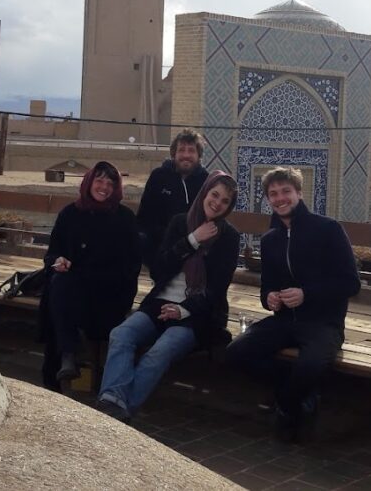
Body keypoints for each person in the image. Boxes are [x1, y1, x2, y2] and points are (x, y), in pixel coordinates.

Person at [225, 167, 360, 439]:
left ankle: (287, 410)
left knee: (310, 365)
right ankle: (297, 395)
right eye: (273, 194)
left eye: (286, 191)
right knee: (235, 353)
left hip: (323, 323)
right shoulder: (271, 240)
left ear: (299, 192)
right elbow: (267, 288)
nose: (280, 198)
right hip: (286, 321)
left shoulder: (328, 229)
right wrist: (270, 299)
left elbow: (350, 283)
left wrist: (306, 294)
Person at [96, 171, 240, 421]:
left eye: (225, 201)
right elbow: (160, 268)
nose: (217, 203)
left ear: (229, 207)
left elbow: (216, 290)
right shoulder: (180, 223)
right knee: (121, 334)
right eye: (214, 195)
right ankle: (114, 401)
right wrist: (193, 240)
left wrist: (182, 310)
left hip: (197, 314)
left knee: (159, 351)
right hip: (160, 302)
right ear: (205, 192)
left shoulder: (229, 237)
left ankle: (118, 411)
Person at [38, 161, 141, 390]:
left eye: (110, 183)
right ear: (89, 182)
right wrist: (58, 261)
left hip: (108, 294)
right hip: (72, 290)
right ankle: (67, 356)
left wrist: (87, 275)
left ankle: (66, 357)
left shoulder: (124, 219)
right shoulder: (71, 214)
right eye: (99, 180)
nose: (104, 187)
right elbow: (53, 252)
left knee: (61, 296)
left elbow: (130, 267)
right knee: (61, 284)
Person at [136, 129, 209, 265]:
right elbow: (145, 218)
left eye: (191, 151)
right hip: (160, 248)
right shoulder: (159, 177)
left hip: (194, 248)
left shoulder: (206, 181)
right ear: (174, 154)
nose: (186, 155)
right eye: (181, 150)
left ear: (199, 155)